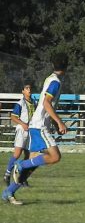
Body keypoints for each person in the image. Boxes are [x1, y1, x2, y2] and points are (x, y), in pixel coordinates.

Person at [2, 52, 68, 205]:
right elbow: (46, 103)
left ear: (53, 65)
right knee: (55, 157)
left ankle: (8, 192)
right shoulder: (55, 82)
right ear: (66, 66)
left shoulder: (50, 78)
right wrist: (59, 122)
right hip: (39, 126)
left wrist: (54, 121)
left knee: (33, 164)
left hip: (36, 125)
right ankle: (20, 164)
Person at [3, 83, 36, 187]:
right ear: (23, 91)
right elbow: (13, 117)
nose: (29, 90)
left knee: (29, 155)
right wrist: (23, 124)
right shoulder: (20, 103)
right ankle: (7, 174)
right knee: (17, 154)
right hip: (22, 130)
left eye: (30, 88)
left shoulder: (34, 103)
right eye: (26, 88)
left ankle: (23, 177)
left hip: (30, 130)